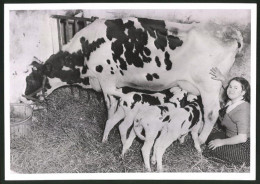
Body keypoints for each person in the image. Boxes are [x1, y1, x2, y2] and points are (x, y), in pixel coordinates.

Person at [202, 67, 250, 166]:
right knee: (210, 138)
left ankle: (245, 159)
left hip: (244, 144)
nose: (231, 90)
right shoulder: (233, 100)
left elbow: (242, 138)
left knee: (210, 150)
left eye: (236, 88)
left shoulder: (242, 110)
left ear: (243, 92)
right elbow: (228, 87)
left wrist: (222, 142)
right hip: (230, 135)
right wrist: (222, 78)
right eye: (230, 87)